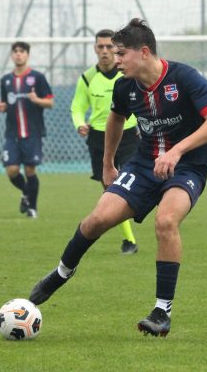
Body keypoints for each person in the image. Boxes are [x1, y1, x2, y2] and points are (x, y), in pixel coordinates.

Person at [29, 19, 207, 337]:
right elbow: (116, 119)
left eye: (121, 54)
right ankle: (61, 273)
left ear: (144, 52)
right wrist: (108, 164)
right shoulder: (125, 87)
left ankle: (161, 312)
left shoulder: (184, 76)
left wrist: (176, 152)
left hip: (187, 166)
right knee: (96, 220)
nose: (116, 60)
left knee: (165, 222)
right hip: (142, 166)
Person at [71, 29, 141, 255]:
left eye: (109, 46)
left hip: (128, 134)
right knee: (111, 189)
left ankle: (130, 229)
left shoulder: (128, 74)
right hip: (99, 138)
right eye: (100, 46)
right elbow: (77, 106)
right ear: (94, 49)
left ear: (116, 49)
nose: (105, 51)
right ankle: (129, 240)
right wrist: (80, 122)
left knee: (128, 185)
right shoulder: (88, 77)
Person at [0, 41, 54, 218]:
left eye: (22, 52)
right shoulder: (6, 80)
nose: (18, 55)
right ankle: (27, 194)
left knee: (30, 171)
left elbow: (50, 102)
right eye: (15, 52)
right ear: (12, 55)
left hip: (32, 133)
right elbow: (6, 103)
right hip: (12, 134)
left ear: (27, 55)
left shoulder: (37, 78)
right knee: (12, 170)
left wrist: (37, 100)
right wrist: (1, 107)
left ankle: (32, 208)